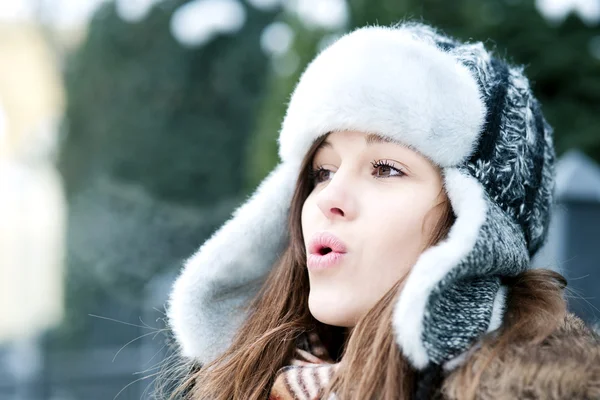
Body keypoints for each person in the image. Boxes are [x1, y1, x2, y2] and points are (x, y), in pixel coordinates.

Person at [165, 22, 600, 399]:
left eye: (385, 168)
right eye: (322, 171)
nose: (329, 199)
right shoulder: (248, 384)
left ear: (477, 235)